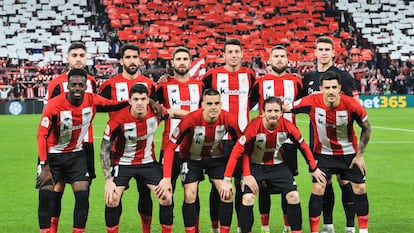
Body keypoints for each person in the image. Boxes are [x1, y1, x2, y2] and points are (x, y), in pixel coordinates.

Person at [36, 68, 127, 233]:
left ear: (86, 86)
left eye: (80, 84)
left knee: (83, 195)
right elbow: (41, 135)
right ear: (68, 86)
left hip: (76, 155)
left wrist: (137, 101)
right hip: (52, 156)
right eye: (73, 84)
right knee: (46, 196)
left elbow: (113, 104)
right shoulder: (53, 105)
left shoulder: (92, 100)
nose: (77, 88)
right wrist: (44, 165)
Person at [219, 96, 326, 233]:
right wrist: (235, 177)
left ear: (282, 112)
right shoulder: (253, 127)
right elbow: (238, 152)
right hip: (255, 166)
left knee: (294, 196)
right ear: (263, 112)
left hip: (278, 166)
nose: (273, 114)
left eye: (276, 111)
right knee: (247, 198)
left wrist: (314, 168)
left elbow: (303, 146)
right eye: (269, 111)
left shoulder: (288, 126)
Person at [286, 71, 371, 233]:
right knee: (318, 188)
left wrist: (360, 155)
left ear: (340, 88)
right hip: (323, 155)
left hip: (349, 155)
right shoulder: (311, 101)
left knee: (360, 188)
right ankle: (314, 230)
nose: (331, 91)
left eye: (334, 87)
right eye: (327, 88)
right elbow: (286, 108)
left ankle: (363, 230)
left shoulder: (352, 105)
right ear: (321, 89)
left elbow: (367, 128)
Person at [100, 84, 188, 233]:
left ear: (148, 100)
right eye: (136, 99)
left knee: (166, 196)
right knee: (111, 198)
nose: (139, 102)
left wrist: (199, 115)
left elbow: (173, 113)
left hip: (148, 163)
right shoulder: (117, 121)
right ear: (130, 101)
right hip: (122, 163)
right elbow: (104, 151)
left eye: (143, 99)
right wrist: (108, 180)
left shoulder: (156, 112)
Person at [157, 88, 242, 233]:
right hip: (191, 158)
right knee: (190, 193)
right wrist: (166, 178)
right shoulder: (190, 119)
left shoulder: (229, 119)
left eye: (216, 103)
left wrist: (238, 175)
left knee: (227, 193)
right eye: (209, 104)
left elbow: (240, 145)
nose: (213, 107)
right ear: (202, 105)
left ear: (221, 104)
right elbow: (171, 147)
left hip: (216, 158)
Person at [98, 43, 158, 233]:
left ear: (140, 60)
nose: (132, 61)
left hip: (145, 153)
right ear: (121, 60)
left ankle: (145, 229)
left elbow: (158, 109)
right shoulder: (109, 86)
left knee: (145, 193)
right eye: (128, 57)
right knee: (114, 196)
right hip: (118, 152)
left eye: (135, 57)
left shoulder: (150, 85)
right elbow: (97, 107)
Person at [302, 36, 360, 233]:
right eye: (321, 49)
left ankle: (350, 226)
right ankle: (328, 225)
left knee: (345, 182)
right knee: (323, 183)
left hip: (343, 145)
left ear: (333, 53)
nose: (324, 52)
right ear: (315, 52)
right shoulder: (308, 78)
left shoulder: (343, 77)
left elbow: (356, 107)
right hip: (318, 143)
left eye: (328, 49)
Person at [201, 38, 256, 233]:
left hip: (242, 141)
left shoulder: (250, 76)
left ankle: (242, 228)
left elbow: (254, 100)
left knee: (243, 186)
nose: (233, 55)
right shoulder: (211, 76)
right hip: (217, 141)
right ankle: (216, 229)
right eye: (229, 52)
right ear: (223, 55)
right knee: (219, 188)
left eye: (236, 52)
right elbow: (198, 96)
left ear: (242, 54)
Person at [42, 42, 98, 233]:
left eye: (82, 55)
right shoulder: (56, 84)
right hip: (59, 147)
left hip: (85, 146)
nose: (78, 59)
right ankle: (52, 228)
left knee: (83, 192)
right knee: (56, 190)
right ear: (67, 58)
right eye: (74, 55)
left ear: (86, 58)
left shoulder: (92, 82)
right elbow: (47, 117)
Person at [250, 45, 304, 233]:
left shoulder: (296, 82)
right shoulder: (260, 83)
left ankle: (287, 226)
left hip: (288, 141)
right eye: (276, 56)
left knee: (287, 184)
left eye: (282, 56)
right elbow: (248, 105)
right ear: (269, 60)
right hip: (263, 140)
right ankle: (265, 227)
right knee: (263, 184)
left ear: (287, 60)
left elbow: (305, 104)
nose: (279, 59)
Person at [156, 46, 204, 232]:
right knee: (165, 194)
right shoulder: (164, 86)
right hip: (169, 148)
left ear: (190, 63)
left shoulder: (199, 87)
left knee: (192, 193)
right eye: (179, 59)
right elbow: (153, 107)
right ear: (173, 63)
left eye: (185, 59)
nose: (182, 62)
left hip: (192, 149)